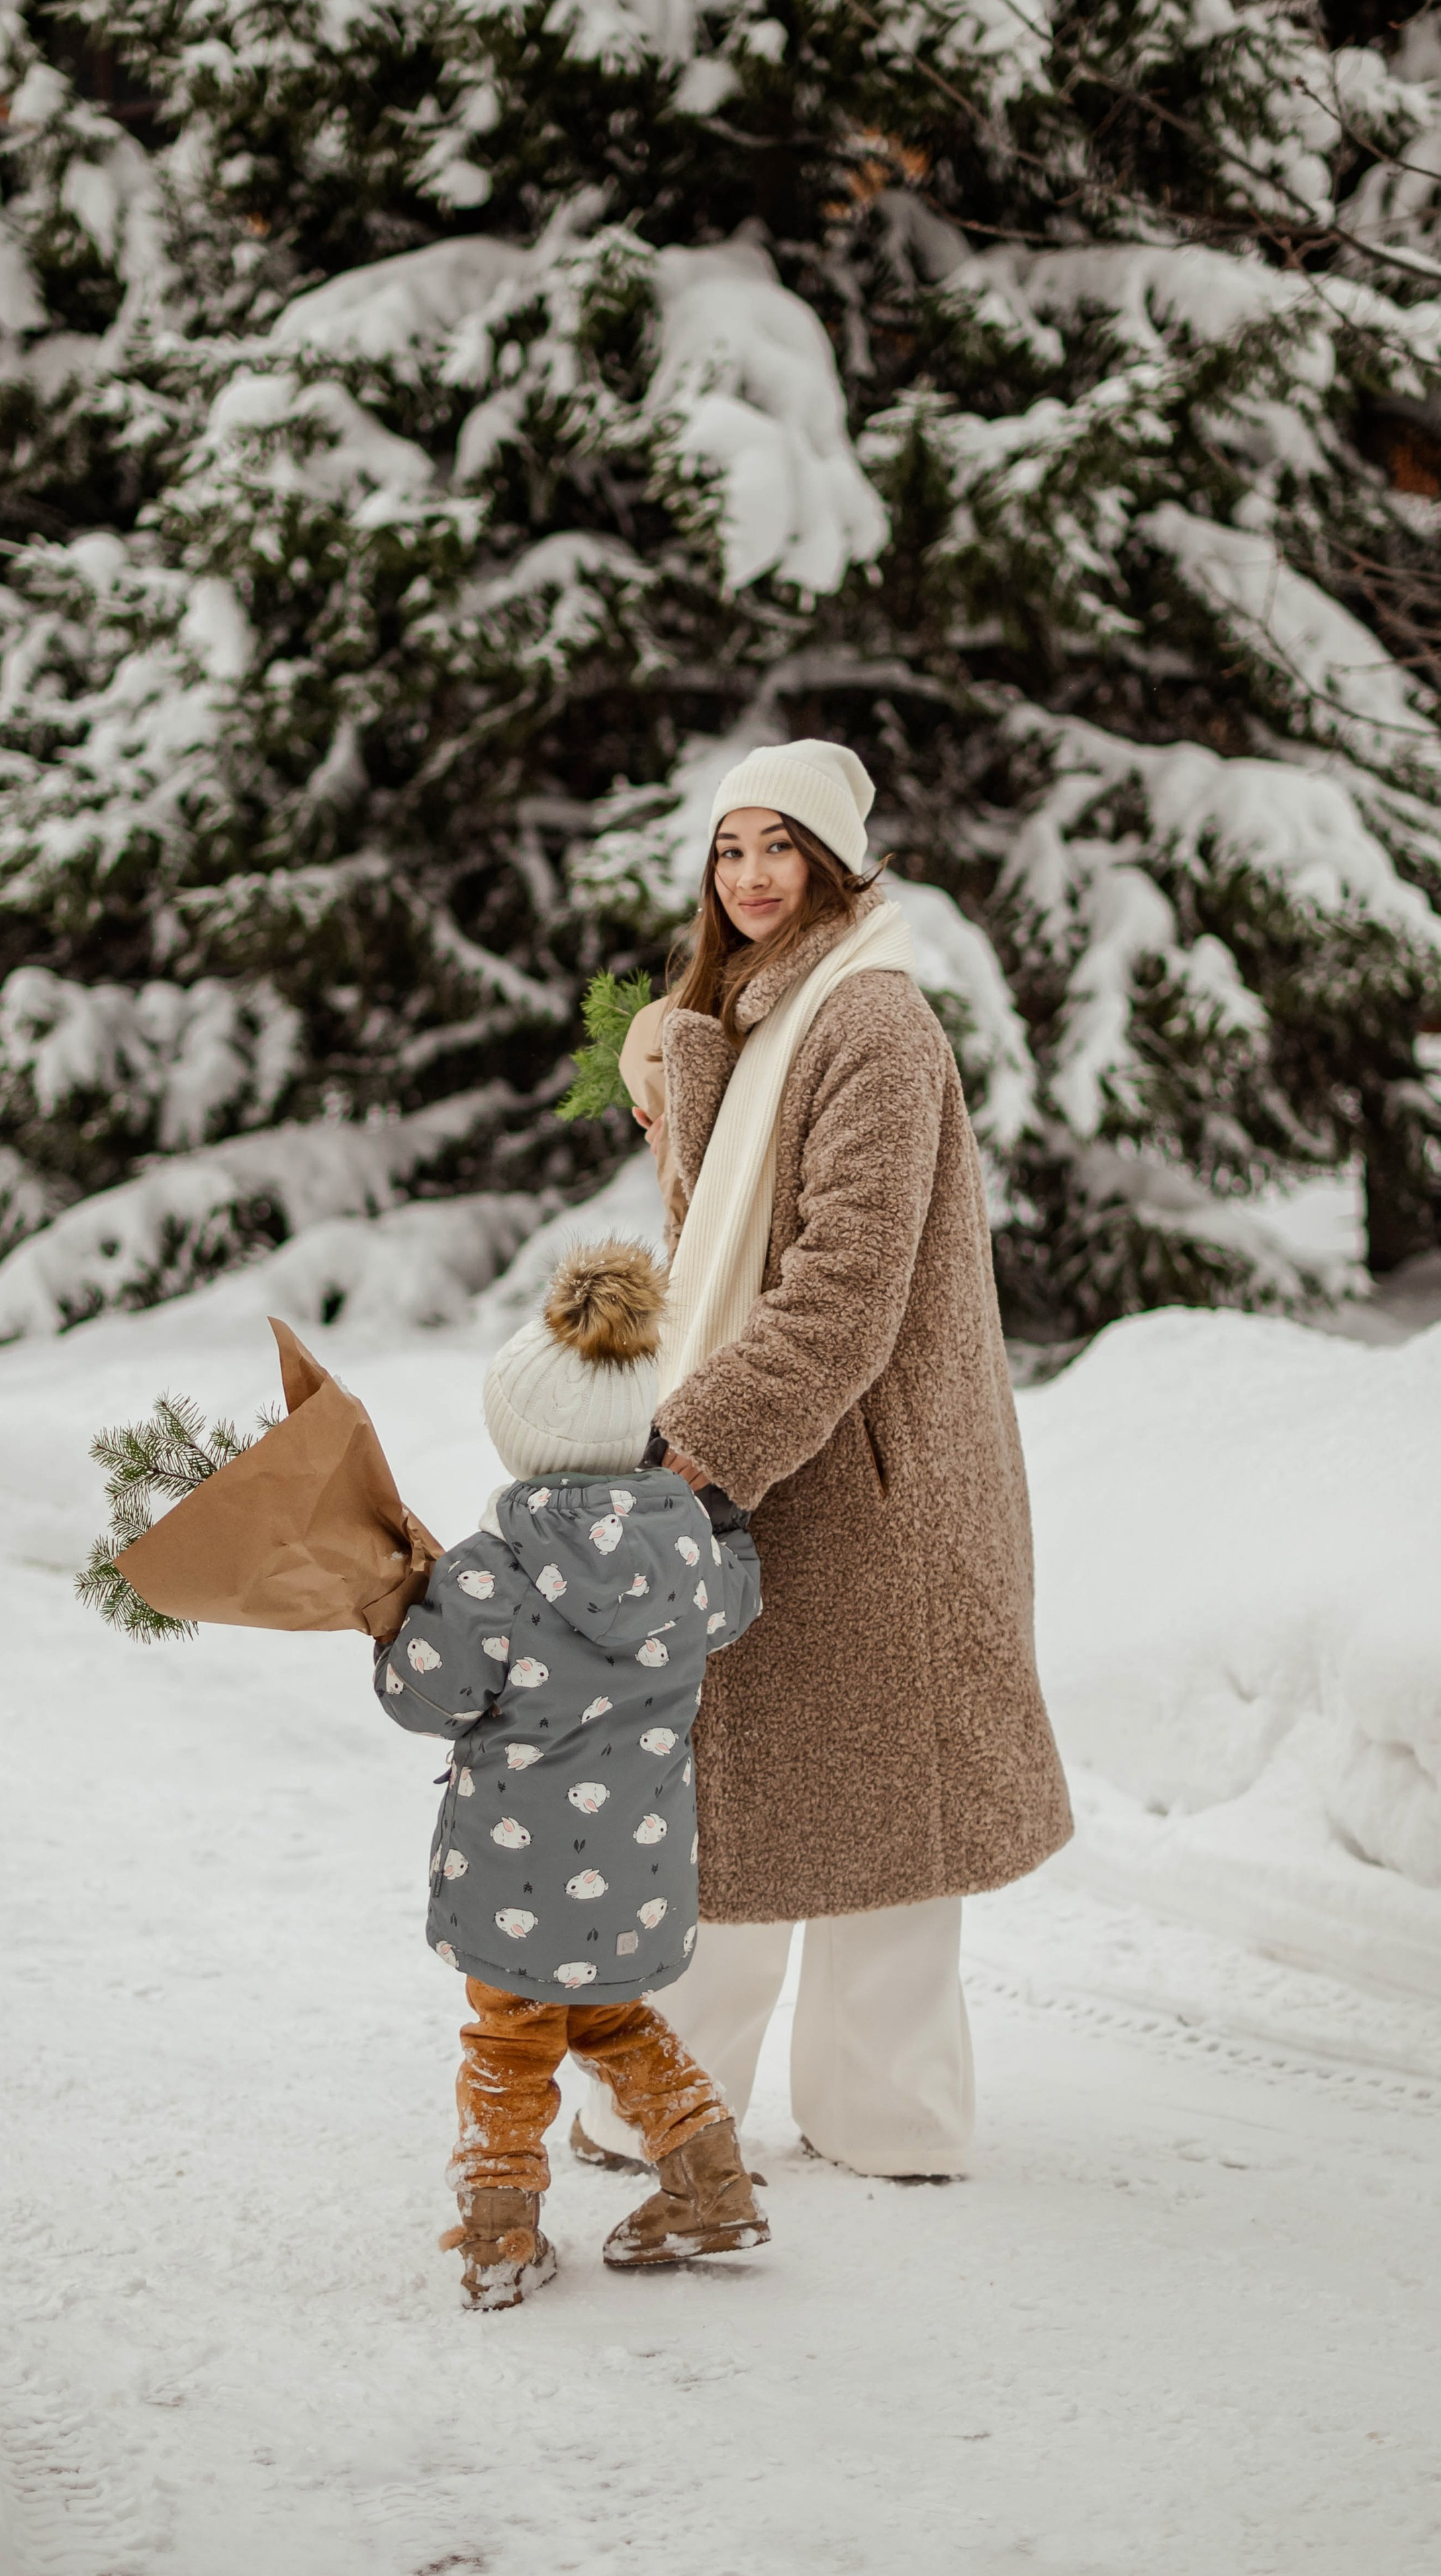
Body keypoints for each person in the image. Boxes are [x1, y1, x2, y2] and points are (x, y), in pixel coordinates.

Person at [574, 739, 1073, 2182]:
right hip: (783, 1466)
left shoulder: (873, 1026)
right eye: (727, 850)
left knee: (874, 1818)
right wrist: (667, 1049)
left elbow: (844, 1288)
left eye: (778, 848)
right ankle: (677, 2099)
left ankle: (885, 2118)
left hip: (868, 1479)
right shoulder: (758, 1009)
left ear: (836, 861)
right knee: (733, 1801)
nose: (748, 877)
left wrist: (698, 1446)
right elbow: (719, 1242)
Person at [373, 1240, 768, 2308]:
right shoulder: (686, 1547)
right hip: (636, 1877)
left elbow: (424, 1698)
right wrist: (725, 1530)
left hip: (514, 1884)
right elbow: (738, 1598)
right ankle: (711, 2182)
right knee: (616, 2021)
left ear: (521, 1444)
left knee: (509, 2042)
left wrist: (402, 1626)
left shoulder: (491, 1574)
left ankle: (502, 2239)